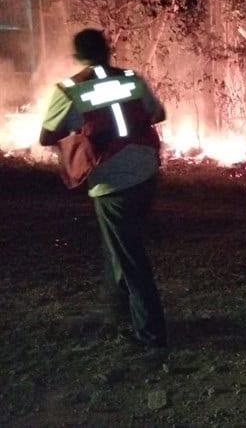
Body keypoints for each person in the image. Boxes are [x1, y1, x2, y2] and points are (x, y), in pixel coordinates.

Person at [39, 28, 168, 348]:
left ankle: (150, 332)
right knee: (122, 247)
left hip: (112, 181)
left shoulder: (70, 90)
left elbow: (46, 134)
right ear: (108, 51)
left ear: (78, 55)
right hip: (146, 170)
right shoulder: (129, 78)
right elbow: (158, 113)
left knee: (129, 254)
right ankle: (119, 313)